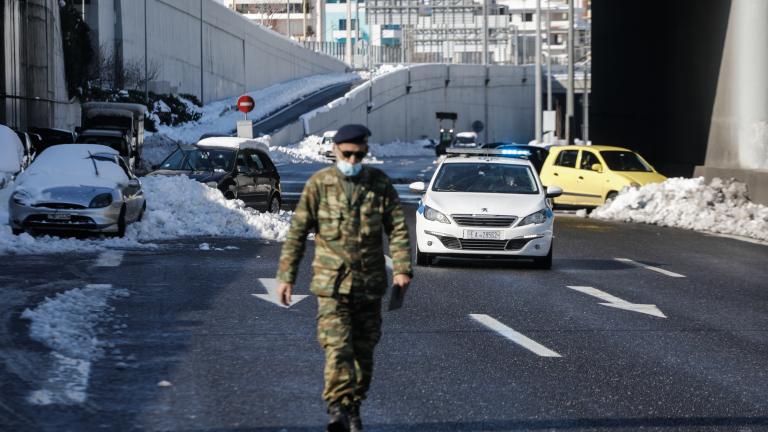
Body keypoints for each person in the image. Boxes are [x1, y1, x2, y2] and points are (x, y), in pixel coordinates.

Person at [276, 124, 412, 432]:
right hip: (332, 286)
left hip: (369, 285)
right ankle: (337, 408)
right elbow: (297, 233)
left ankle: (353, 407)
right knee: (338, 348)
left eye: (359, 155)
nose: (352, 161)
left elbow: (397, 229)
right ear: (335, 150)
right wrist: (286, 276)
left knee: (363, 354)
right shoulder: (319, 185)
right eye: (347, 154)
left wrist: (402, 269)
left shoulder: (378, 184)